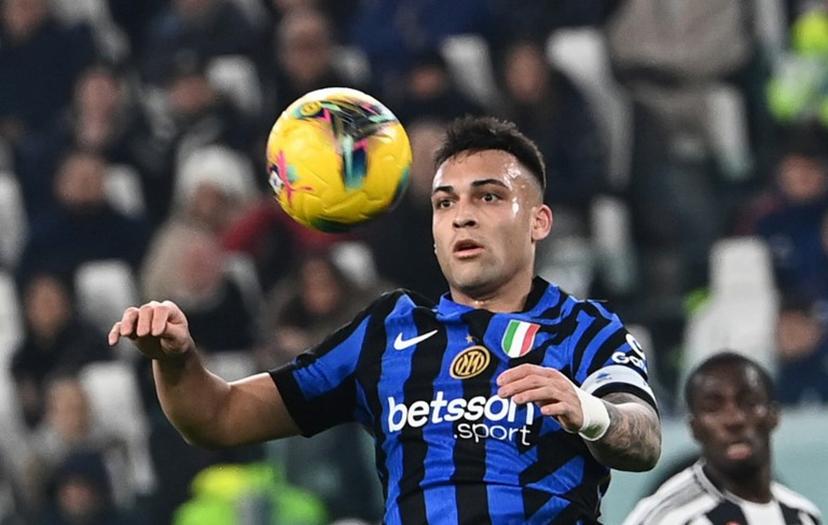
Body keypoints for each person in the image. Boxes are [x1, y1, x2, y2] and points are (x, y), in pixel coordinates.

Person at [109, 116, 662, 523]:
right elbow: (217, 417)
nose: (462, 214)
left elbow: (643, 437)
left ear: (539, 222)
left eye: (489, 196)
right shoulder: (387, 332)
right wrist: (176, 359)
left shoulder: (584, 328)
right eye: (444, 203)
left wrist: (589, 413)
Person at [623, 352, 822, 525]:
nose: (734, 420)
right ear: (694, 427)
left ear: (774, 415)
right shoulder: (668, 516)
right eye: (713, 408)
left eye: (749, 402)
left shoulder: (803, 515)